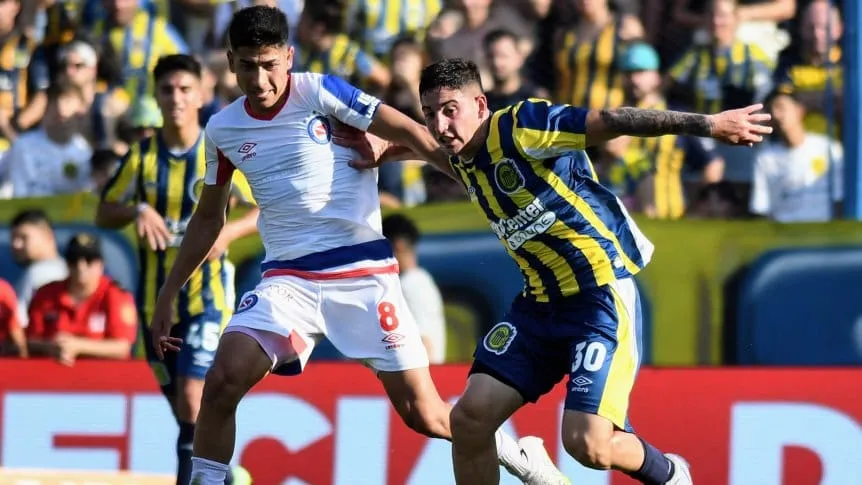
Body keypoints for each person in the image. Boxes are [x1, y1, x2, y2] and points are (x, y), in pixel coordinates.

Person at [149, 6, 568, 485]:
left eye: (269, 64)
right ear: (229, 62)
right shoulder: (223, 130)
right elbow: (208, 217)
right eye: (248, 65)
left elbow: (411, 131)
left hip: (363, 275)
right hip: (287, 280)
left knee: (425, 414)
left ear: (288, 57)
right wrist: (168, 293)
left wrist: (485, 186)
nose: (260, 79)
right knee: (222, 381)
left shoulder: (319, 90)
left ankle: (520, 458)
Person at [345, 57, 771, 485]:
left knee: (588, 446)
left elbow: (613, 119)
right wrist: (386, 150)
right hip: (539, 306)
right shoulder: (461, 156)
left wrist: (708, 125)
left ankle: (671, 473)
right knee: (469, 420)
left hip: (599, 297)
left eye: (450, 110)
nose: (441, 124)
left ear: (480, 103)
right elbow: (427, 145)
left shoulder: (524, 126)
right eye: (431, 113)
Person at [95, 54, 259, 485]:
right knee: (184, 410)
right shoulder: (142, 156)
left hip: (207, 297)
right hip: (157, 300)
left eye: (185, 89)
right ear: (155, 94)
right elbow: (103, 212)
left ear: (202, 93)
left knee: (191, 399)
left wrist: (226, 234)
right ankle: (226, 474)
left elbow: (259, 209)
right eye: (167, 90)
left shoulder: (219, 147)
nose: (176, 99)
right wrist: (136, 210)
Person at [26, 232, 138, 365]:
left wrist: (78, 346)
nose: (81, 267)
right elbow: (29, 341)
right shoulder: (46, 294)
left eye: (89, 260)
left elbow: (122, 347)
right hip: (53, 372)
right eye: (74, 260)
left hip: (105, 375)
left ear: (100, 265)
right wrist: (51, 347)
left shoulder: (116, 295)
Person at [382, 213, 447, 364]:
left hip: (420, 376)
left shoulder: (411, 284)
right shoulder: (417, 281)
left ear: (398, 245)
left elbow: (424, 343)